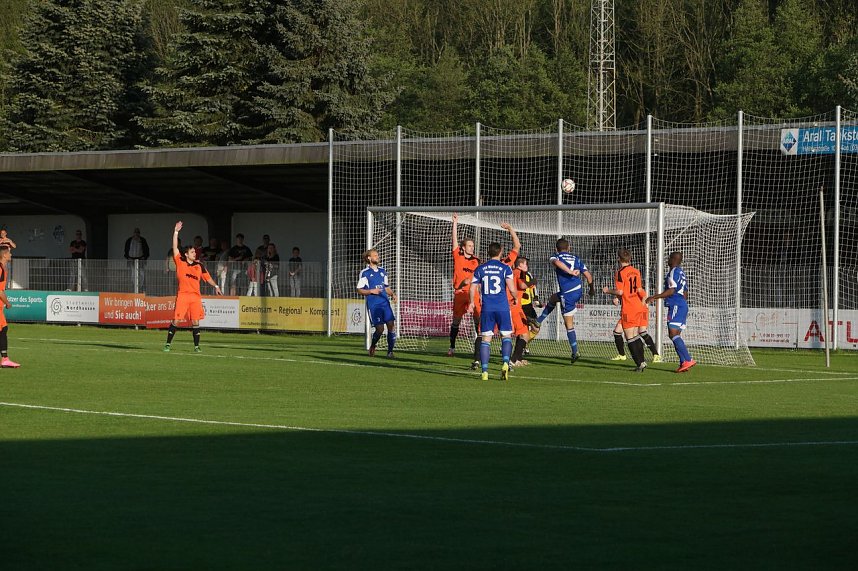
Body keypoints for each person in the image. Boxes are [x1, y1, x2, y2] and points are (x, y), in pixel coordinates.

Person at [164, 221, 222, 353]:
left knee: (196, 321)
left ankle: (196, 346)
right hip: (183, 296)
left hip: (195, 297)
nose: (195, 254)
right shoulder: (180, 262)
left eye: (195, 252)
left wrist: (216, 286)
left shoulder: (199, 265)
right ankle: (167, 344)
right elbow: (175, 248)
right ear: (186, 254)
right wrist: (176, 232)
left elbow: (208, 278)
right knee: (177, 321)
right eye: (192, 252)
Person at [535, 237, 595, 363]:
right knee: (553, 297)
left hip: (567, 294)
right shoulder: (576, 258)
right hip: (577, 290)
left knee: (569, 324)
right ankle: (539, 320)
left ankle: (575, 351)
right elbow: (588, 275)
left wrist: (569, 271)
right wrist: (591, 289)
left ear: (556, 249)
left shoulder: (556, 257)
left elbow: (556, 263)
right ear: (569, 248)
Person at [468, 241, 517, 381]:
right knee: (506, 336)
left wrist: (471, 302)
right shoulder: (505, 268)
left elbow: (472, 288)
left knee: (486, 340)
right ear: (500, 252)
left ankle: (484, 372)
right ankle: (506, 363)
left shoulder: (480, 268)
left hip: (487, 308)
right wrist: (515, 297)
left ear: (488, 252)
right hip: (502, 307)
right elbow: (512, 288)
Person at [646, 251, 696, 373]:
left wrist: (654, 297)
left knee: (673, 334)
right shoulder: (681, 273)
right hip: (682, 304)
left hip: (676, 305)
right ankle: (683, 363)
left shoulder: (673, 272)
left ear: (674, 259)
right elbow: (685, 293)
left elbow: (672, 290)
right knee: (676, 334)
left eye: (669, 258)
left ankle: (688, 359)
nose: (667, 260)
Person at [602, 248, 650, 373]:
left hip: (629, 307)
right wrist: (643, 301)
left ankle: (640, 364)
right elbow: (639, 290)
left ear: (619, 259)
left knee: (629, 337)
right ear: (630, 259)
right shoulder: (636, 271)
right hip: (639, 306)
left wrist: (608, 291)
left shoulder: (620, 273)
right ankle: (642, 361)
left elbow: (621, 291)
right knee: (635, 335)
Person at [447, 214, 483, 369]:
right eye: (469, 245)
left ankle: (479, 345)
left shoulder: (476, 261)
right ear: (463, 247)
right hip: (460, 293)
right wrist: (455, 223)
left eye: (472, 246)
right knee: (456, 320)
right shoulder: (458, 256)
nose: (472, 247)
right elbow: (454, 240)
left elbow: (479, 278)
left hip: (473, 293)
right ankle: (452, 346)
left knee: (478, 319)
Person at [356, 248, 397, 358]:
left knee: (391, 325)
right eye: (375, 255)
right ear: (369, 258)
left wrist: (392, 294)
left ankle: (390, 352)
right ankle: (373, 346)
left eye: (377, 255)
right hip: (374, 305)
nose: (377, 257)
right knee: (380, 329)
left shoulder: (383, 271)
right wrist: (371, 291)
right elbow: (359, 289)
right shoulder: (365, 273)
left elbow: (386, 287)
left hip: (385, 303)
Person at [0, 246, 20, 368]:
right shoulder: (0, 269)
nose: (11, 255)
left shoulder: (3, 268)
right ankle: (5, 359)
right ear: (4, 255)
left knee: (3, 330)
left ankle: (5, 358)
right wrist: (7, 303)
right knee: (3, 330)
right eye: (9, 253)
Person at [124, 227, 150, 293]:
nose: (136, 233)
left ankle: (141, 289)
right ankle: (133, 289)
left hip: (140, 260)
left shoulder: (142, 240)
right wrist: (128, 257)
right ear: (133, 233)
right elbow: (126, 250)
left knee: (142, 274)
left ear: (139, 233)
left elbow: (147, 250)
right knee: (133, 275)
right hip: (131, 260)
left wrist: (144, 257)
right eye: (135, 232)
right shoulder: (129, 240)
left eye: (138, 232)